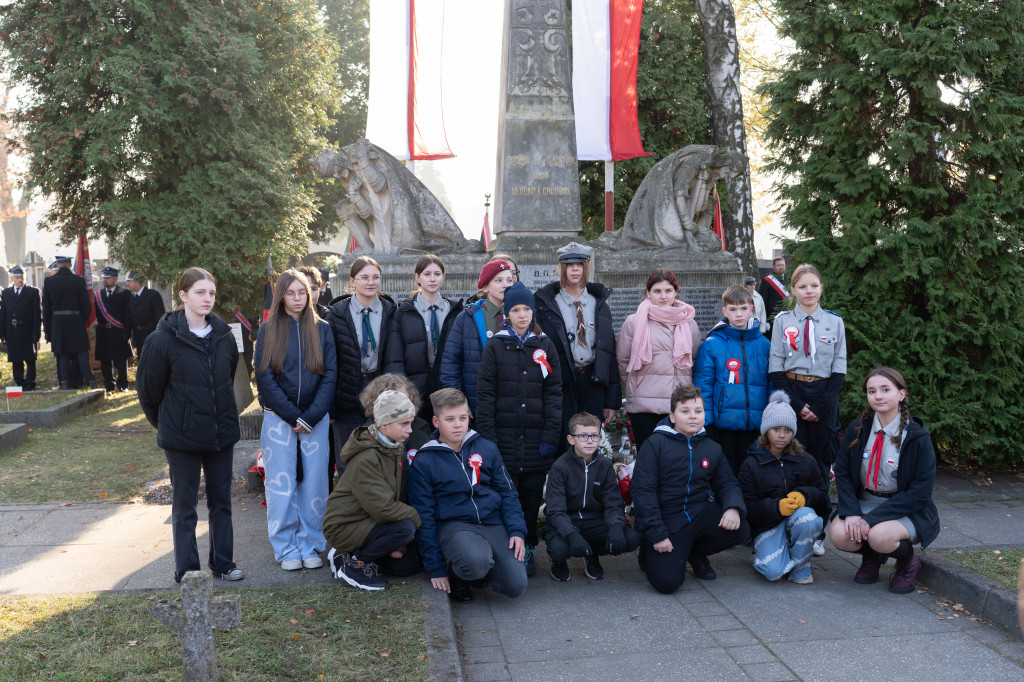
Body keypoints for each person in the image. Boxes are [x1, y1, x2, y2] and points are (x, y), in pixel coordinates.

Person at [136, 267, 243, 582]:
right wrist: (172, 424)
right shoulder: (161, 340)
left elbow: (226, 377)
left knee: (221, 501)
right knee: (185, 506)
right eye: (199, 292)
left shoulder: (224, 336)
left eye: (211, 292)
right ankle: (188, 569)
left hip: (221, 434)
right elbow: (149, 392)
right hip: (181, 438)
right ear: (182, 295)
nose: (207, 298)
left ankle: (223, 563)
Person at [407, 388, 528, 603]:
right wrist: (435, 568)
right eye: (450, 419)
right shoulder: (424, 460)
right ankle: (460, 573)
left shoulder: (487, 448)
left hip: (492, 522)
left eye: (463, 418)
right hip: (455, 525)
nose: (458, 424)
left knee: (516, 586)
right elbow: (423, 515)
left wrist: (517, 530)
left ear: (469, 416)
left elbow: (508, 492)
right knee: (474, 562)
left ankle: (483, 570)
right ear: (436, 422)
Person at [475, 282, 562, 577]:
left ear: (533, 312)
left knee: (530, 494)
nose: (522, 315)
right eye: (515, 310)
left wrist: (551, 435)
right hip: (505, 439)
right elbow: (485, 395)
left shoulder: (545, 345)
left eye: (526, 309)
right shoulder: (496, 346)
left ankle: (529, 547)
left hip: (537, 438)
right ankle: (509, 547)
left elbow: (554, 393)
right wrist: (488, 438)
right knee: (506, 492)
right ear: (507, 314)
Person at [829, 367, 940, 594]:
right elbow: (842, 472)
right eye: (872, 391)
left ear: (901, 394)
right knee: (840, 535)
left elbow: (920, 493)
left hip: (904, 507)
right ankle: (873, 555)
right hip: (866, 499)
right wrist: (851, 512)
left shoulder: (918, 436)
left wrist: (869, 520)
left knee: (879, 535)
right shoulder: (857, 428)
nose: (878, 396)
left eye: (885, 389)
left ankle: (908, 561)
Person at [630, 384, 749, 594]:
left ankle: (694, 552)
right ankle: (650, 548)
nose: (693, 417)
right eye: (685, 411)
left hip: (699, 512)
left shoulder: (711, 447)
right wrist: (657, 534)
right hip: (666, 519)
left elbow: (727, 483)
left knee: (740, 529)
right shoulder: (655, 445)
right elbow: (643, 492)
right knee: (667, 583)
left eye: (698, 411)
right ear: (672, 416)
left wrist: (733, 508)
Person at [255, 269, 338, 571]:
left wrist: (312, 415)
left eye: (301, 292)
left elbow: (330, 375)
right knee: (281, 484)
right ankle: (286, 546)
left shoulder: (323, 329)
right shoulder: (269, 329)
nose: (297, 298)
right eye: (290, 293)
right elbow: (263, 376)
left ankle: (311, 544)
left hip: (315, 418)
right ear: (281, 295)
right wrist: (291, 415)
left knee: (315, 483)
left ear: (310, 294)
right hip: (279, 418)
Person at [322, 390, 423, 590]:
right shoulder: (367, 458)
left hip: (370, 520)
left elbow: (399, 495)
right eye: (404, 424)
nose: (410, 430)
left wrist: (399, 545)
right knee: (406, 528)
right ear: (384, 424)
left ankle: (344, 555)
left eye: (410, 423)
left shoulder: (395, 448)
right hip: (344, 525)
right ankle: (353, 567)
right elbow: (384, 508)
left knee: (406, 566)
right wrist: (415, 519)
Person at [768, 263, 846, 488]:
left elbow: (839, 366)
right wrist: (796, 403)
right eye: (802, 286)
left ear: (822, 287)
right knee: (794, 454)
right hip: (794, 392)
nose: (808, 291)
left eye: (814, 285)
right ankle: (796, 509)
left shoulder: (835, 322)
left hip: (824, 395)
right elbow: (776, 365)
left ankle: (820, 509)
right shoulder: (783, 321)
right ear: (793, 290)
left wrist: (823, 405)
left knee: (822, 457)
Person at [738, 391, 829, 584]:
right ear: (766, 431)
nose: (782, 435)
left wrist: (805, 496)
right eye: (776, 429)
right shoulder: (751, 463)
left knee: (808, 519)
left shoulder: (806, 459)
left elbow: (822, 496)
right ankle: (776, 553)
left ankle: (801, 568)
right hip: (767, 525)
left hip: (798, 520)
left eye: (788, 430)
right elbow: (747, 507)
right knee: (772, 572)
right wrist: (776, 507)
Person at [534, 241, 620, 439]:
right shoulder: (547, 305)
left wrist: (611, 401)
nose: (575, 269)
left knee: (591, 440)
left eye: (580, 264)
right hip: (563, 382)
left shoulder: (599, 305)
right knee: (566, 439)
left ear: (586, 267)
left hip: (592, 381)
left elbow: (609, 352)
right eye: (569, 264)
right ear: (561, 268)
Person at [544, 412, 641, 582]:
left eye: (594, 436)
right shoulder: (560, 467)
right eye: (583, 436)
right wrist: (572, 534)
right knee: (559, 548)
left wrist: (617, 526)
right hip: (568, 520)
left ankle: (591, 554)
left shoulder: (604, 465)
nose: (589, 441)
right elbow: (556, 511)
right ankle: (558, 561)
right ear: (571, 439)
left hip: (595, 520)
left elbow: (613, 503)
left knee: (630, 538)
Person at [328, 256, 397, 483]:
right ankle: (350, 516)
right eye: (364, 277)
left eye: (375, 277)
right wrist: (332, 406)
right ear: (352, 281)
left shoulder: (390, 311)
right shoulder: (336, 314)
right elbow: (331, 361)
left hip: (379, 393)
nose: (371, 282)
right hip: (346, 395)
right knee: (347, 460)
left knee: (380, 459)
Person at [617, 268, 701, 449]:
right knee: (648, 460)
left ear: (676, 292)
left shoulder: (689, 323)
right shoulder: (633, 322)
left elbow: (694, 361)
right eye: (657, 291)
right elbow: (623, 361)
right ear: (648, 293)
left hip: (679, 405)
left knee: (677, 461)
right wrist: (635, 388)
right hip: (644, 406)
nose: (663, 296)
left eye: (668, 290)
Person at [693, 284, 771, 475]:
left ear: (751, 310)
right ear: (724, 311)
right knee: (727, 472)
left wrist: (771, 418)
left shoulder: (764, 345)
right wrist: (708, 421)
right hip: (724, 424)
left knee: (752, 471)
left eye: (743, 308)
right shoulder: (712, 345)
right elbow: (703, 386)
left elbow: (771, 383)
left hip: (756, 423)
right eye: (733, 309)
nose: (739, 314)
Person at [383, 255, 464, 420]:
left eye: (437, 274)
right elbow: (395, 358)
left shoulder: (455, 312)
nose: (432, 279)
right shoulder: (404, 312)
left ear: (443, 276)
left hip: (447, 391)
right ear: (417, 278)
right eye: (427, 274)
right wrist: (402, 390)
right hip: (414, 392)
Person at [439, 259, 514, 415]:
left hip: (513, 405)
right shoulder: (467, 318)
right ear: (485, 287)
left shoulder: (522, 315)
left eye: (509, 280)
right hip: (477, 404)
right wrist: (459, 402)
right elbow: (450, 363)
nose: (506, 285)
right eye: (498, 280)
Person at [41, 255, 97, 389]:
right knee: (82, 352)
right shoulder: (78, 281)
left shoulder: (49, 282)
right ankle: (91, 382)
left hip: (58, 323)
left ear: (58, 266)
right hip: (76, 321)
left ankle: (65, 384)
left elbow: (46, 310)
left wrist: (48, 331)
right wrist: (79, 319)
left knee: (63, 354)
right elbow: (86, 306)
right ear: (70, 265)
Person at [359, 373, 433, 457]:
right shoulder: (365, 438)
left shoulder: (422, 426)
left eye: (405, 398)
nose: (403, 404)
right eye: (396, 401)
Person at [0, 266, 41, 390]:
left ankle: (30, 381)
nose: (20, 280)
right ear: (12, 278)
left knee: (29, 358)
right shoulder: (6, 293)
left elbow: (37, 314)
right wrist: (2, 333)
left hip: (27, 329)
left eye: (21, 277)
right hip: (12, 330)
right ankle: (19, 381)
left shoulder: (32, 292)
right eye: (17, 277)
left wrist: (36, 333)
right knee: (16, 358)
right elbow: (3, 314)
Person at [93, 266, 133, 391]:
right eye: (104, 277)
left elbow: (128, 314)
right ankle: (109, 385)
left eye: (108, 277)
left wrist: (127, 332)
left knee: (121, 359)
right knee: (105, 360)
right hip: (103, 331)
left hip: (118, 331)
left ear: (115, 278)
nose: (105, 279)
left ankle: (123, 385)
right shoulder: (97, 295)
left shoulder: (125, 293)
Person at [126, 272, 166, 360]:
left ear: (137, 282)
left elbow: (160, 318)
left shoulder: (152, 295)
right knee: (142, 361)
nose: (127, 284)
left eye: (129, 281)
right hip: (139, 337)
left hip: (151, 335)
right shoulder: (131, 297)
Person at [759, 256, 789, 328]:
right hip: (772, 317)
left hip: (787, 315)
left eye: (782, 265)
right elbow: (763, 301)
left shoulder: (789, 279)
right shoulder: (766, 280)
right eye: (778, 265)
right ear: (773, 266)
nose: (781, 267)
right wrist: (765, 320)